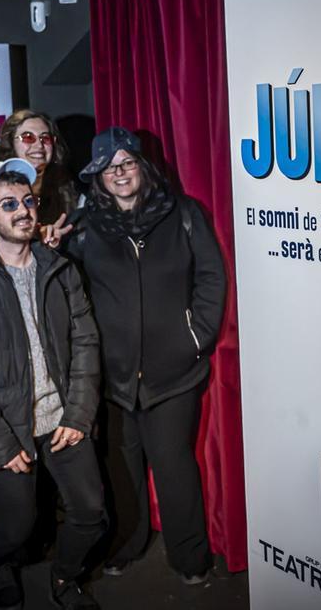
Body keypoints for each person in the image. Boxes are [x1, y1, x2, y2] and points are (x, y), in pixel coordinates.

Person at [0, 159, 105, 609]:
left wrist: (79, 414)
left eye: (28, 200)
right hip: (8, 430)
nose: (23, 210)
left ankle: (66, 578)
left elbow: (85, 342)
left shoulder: (61, 270)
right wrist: (0, 443)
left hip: (64, 420)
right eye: (8, 203)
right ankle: (1, 563)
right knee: (17, 525)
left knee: (91, 514)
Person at [69, 126, 226, 584]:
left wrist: (194, 338)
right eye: (108, 167)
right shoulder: (85, 227)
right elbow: (73, 294)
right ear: (97, 177)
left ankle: (190, 557)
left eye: (127, 163)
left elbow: (212, 278)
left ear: (143, 166)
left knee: (174, 465)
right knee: (121, 469)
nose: (119, 173)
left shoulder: (183, 213)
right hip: (112, 377)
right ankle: (126, 545)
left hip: (174, 373)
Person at [0, 110, 81, 227]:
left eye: (45, 138)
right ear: (10, 143)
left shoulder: (66, 187)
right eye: (28, 137)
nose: (39, 145)